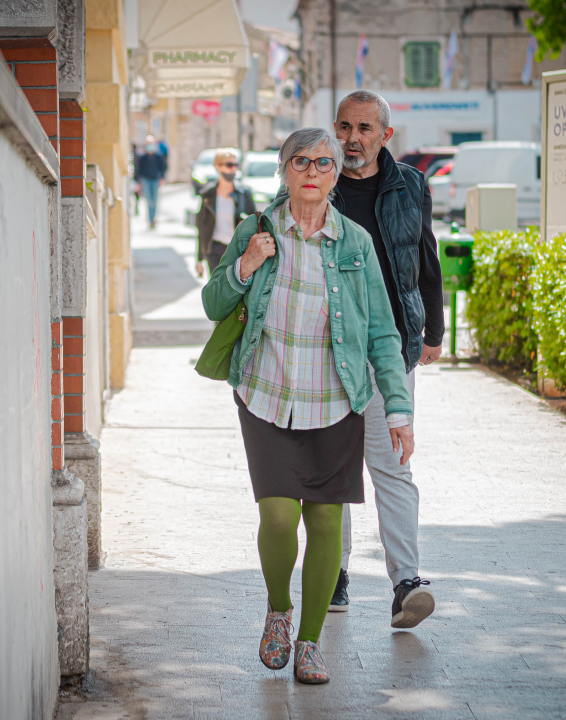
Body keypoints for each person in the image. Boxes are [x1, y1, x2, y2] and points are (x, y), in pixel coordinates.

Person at [202, 127, 414, 684]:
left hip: (335, 398)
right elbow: (213, 301)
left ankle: (311, 643)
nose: (314, 171)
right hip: (266, 393)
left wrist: (398, 407)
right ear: (284, 169)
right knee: (278, 516)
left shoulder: (354, 245)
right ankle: (278, 608)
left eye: (325, 162)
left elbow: (382, 333)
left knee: (325, 521)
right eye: (303, 161)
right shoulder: (257, 229)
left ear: (336, 173)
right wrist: (246, 264)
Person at [327, 89, 445, 628]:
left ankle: (406, 583)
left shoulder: (410, 184)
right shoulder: (317, 182)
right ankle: (335, 572)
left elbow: (425, 256)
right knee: (335, 469)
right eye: (345, 127)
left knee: (393, 465)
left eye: (364, 129)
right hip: (325, 351)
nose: (353, 139)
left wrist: (434, 330)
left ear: (384, 135)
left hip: (392, 348)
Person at [195, 149, 257, 277]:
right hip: (215, 249)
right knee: (216, 289)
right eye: (229, 165)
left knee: (236, 290)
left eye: (235, 165)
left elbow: (255, 220)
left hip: (238, 250)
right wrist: (199, 258)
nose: (233, 169)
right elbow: (201, 227)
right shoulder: (208, 195)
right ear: (218, 167)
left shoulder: (244, 193)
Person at [134, 135, 166, 229]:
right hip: (145, 180)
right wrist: (138, 183)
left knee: (155, 200)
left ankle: (153, 219)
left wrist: (162, 179)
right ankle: (150, 219)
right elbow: (138, 170)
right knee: (149, 200)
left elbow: (163, 168)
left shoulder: (158, 156)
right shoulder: (142, 157)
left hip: (155, 179)